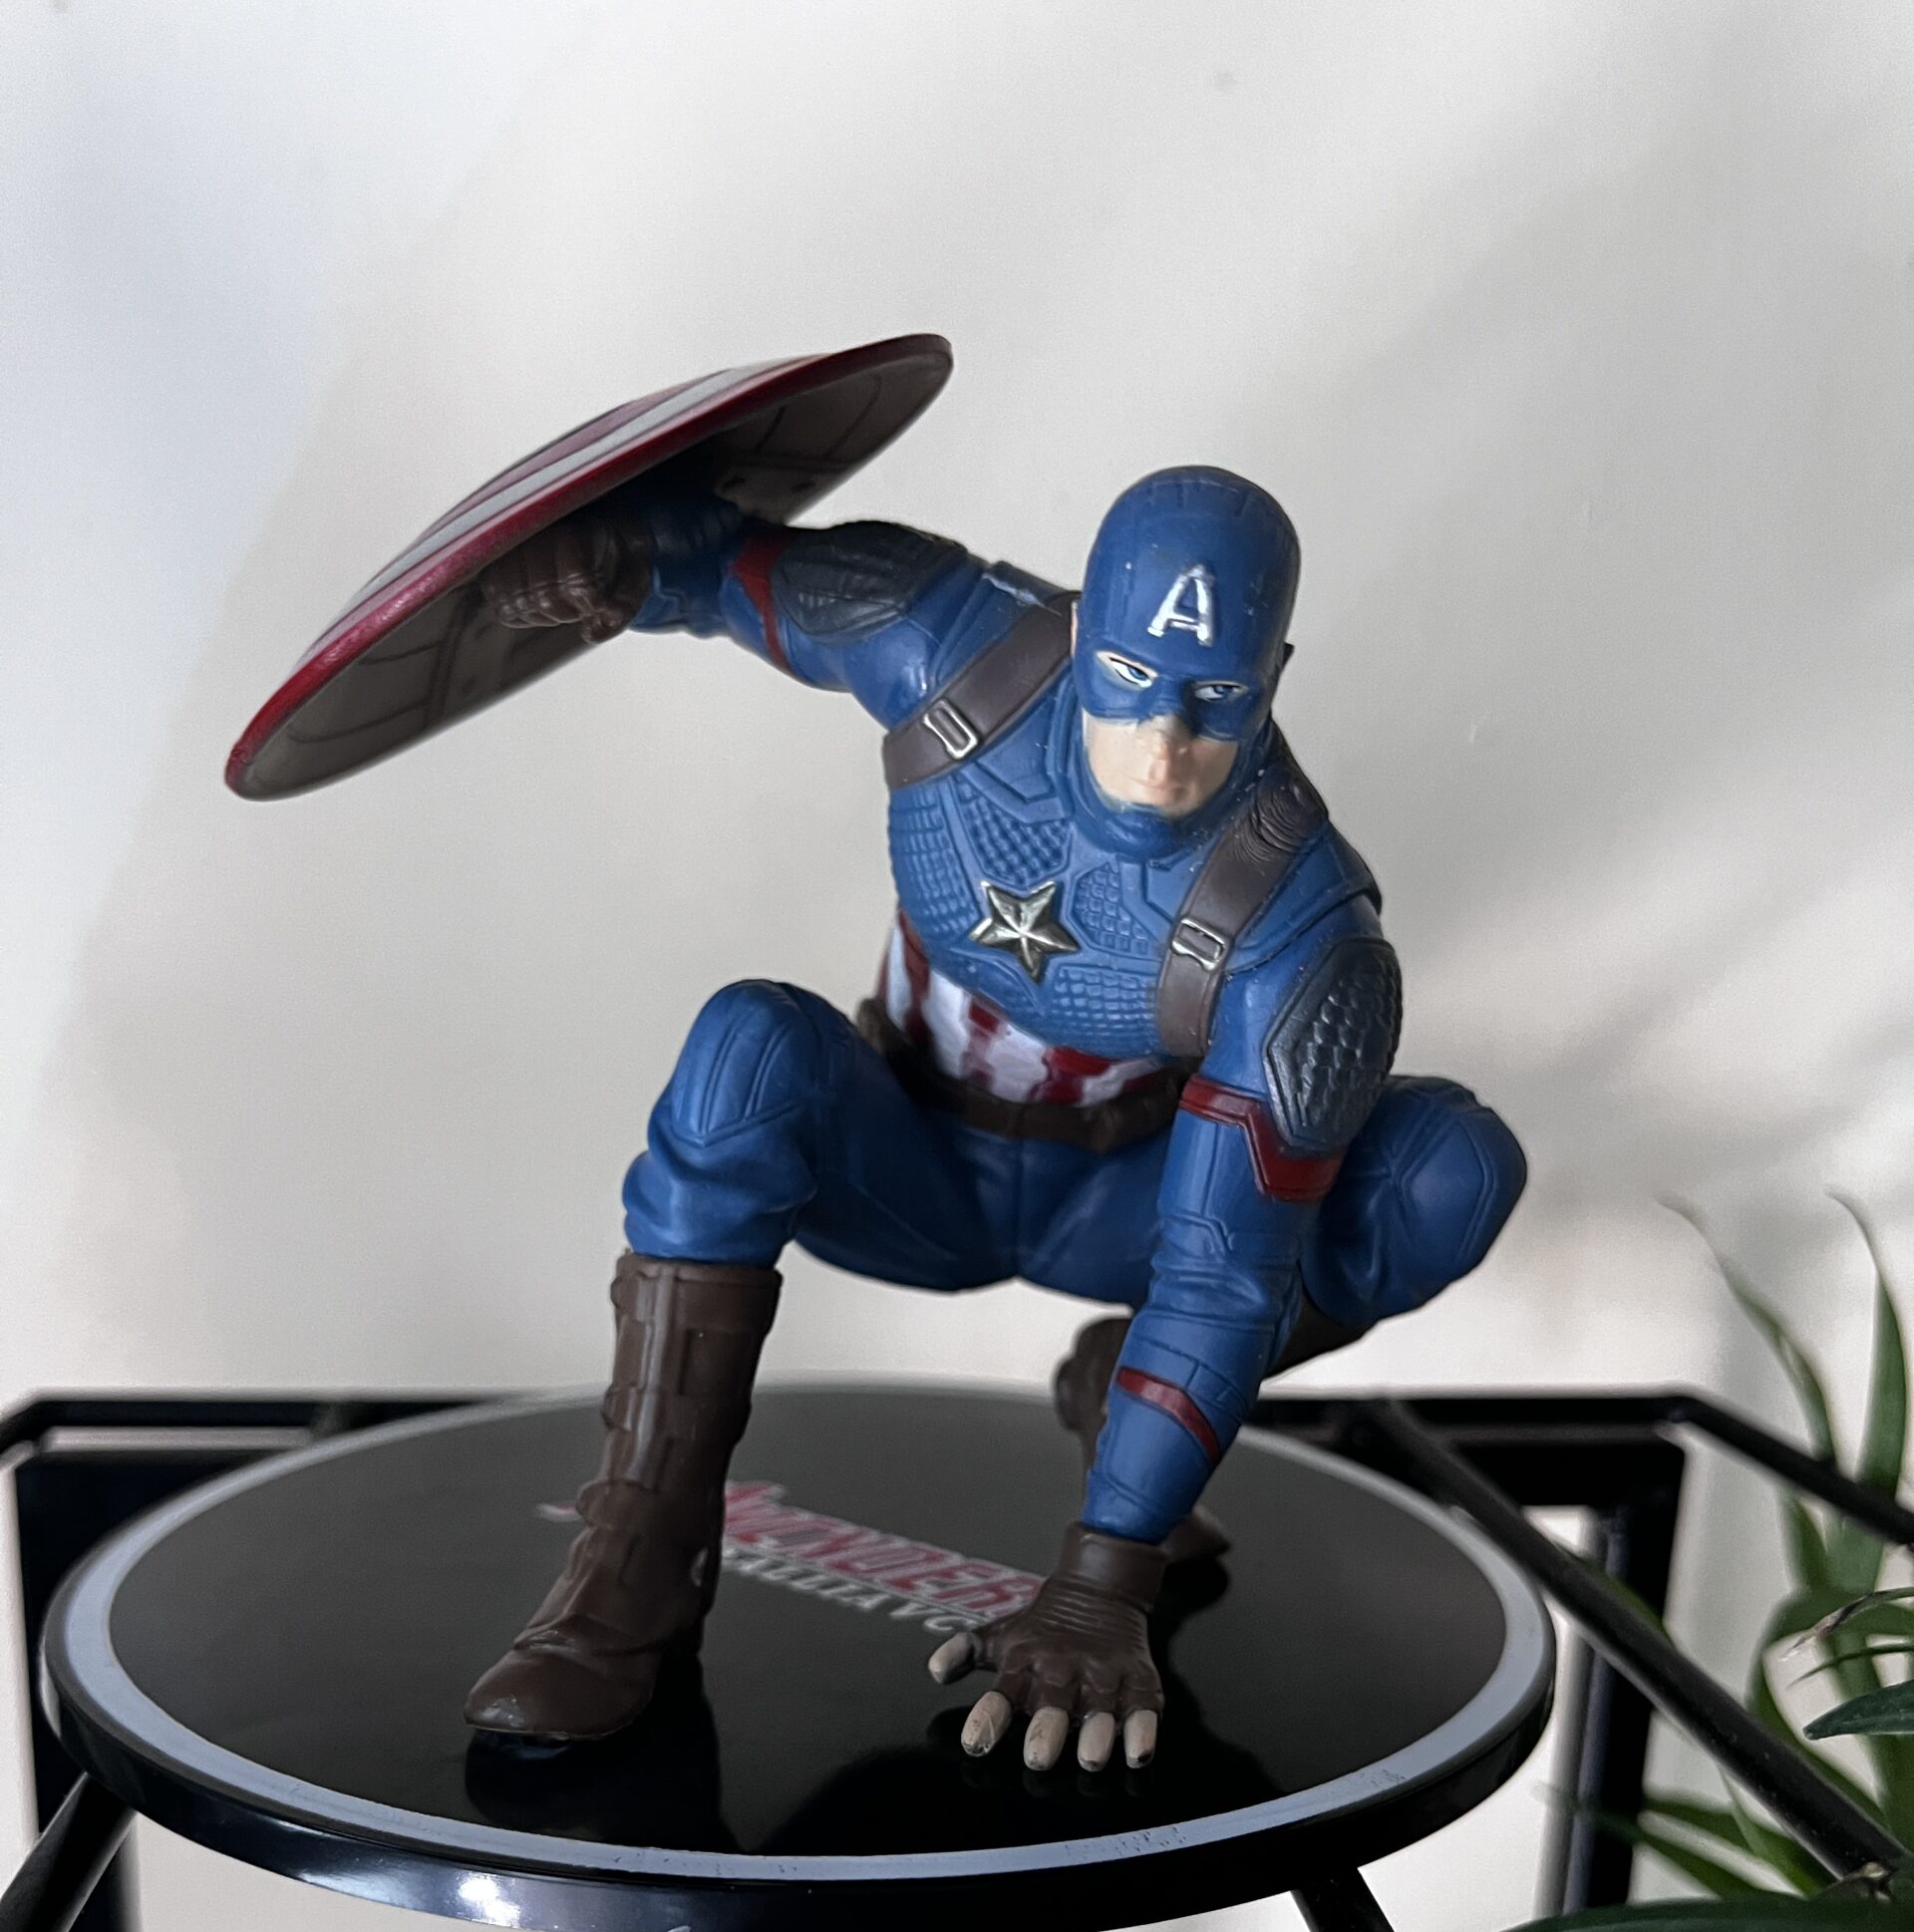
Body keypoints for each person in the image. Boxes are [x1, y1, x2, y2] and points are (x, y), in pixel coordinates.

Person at [464, 467, 1525, 1773]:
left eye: (1216, 700)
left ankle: (1117, 1386)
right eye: (1130, 679)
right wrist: (613, 557)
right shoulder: (957, 645)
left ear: (1275, 678)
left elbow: (1219, 1276)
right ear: (1079, 629)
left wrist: (1099, 1588)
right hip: (908, 1165)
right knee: (746, 1047)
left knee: (1445, 1174)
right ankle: (640, 1553)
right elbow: (725, 568)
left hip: (1126, 1210)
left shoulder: (1302, 933)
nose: (1164, 744)